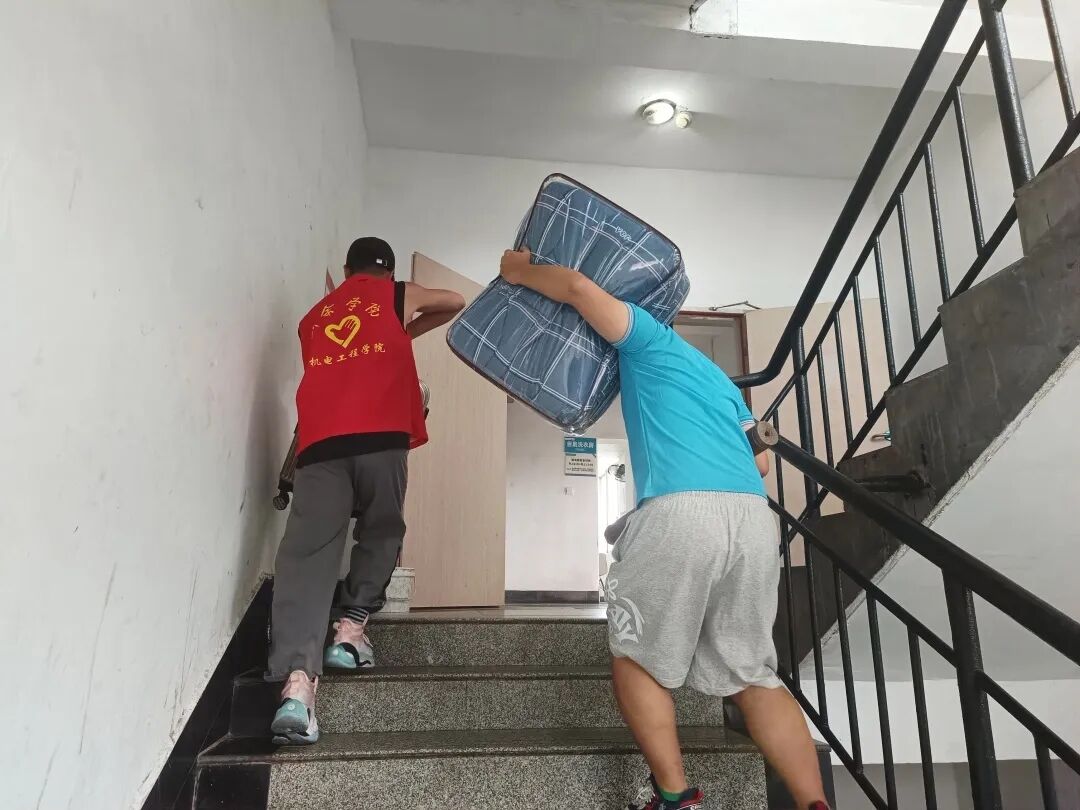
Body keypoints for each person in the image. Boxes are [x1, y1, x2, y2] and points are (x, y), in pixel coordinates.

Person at [499, 247, 829, 810]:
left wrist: (519, 272)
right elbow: (761, 463)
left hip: (683, 511)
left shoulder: (649, 337)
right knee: (752, 673)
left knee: (637, 658)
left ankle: (676, 798)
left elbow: (577, 290)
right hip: (752, 518)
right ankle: (814, 804)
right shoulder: (720, 380)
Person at [268, 237, 465, 745]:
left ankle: (297, 688)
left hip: (320, 444)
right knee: (381, 527)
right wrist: (406, 326)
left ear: (346, 269)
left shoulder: (314, 317)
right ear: (389, 271)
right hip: (381, 436)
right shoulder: (396, 294)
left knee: (307, 556)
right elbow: (455, 300)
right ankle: (351, 632)